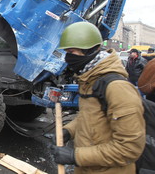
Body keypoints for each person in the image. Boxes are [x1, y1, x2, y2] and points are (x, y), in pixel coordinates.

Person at [50, 22, 145, 173]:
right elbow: (90, 118)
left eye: (72, 52)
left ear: (89, 51)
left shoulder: (117, 88)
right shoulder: (89, 80)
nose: (68, 58)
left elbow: (129, 148)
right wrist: (68, 131)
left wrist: (75, 156)